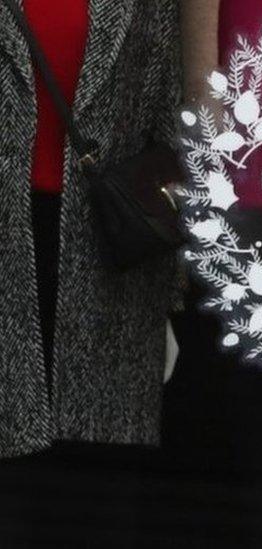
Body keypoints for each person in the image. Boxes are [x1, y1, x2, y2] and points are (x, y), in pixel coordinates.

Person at [0, 0, 182, 459]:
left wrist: (173, 299)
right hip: (11, 244)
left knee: (90, 494)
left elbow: (172, 137)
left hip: (109, 259)